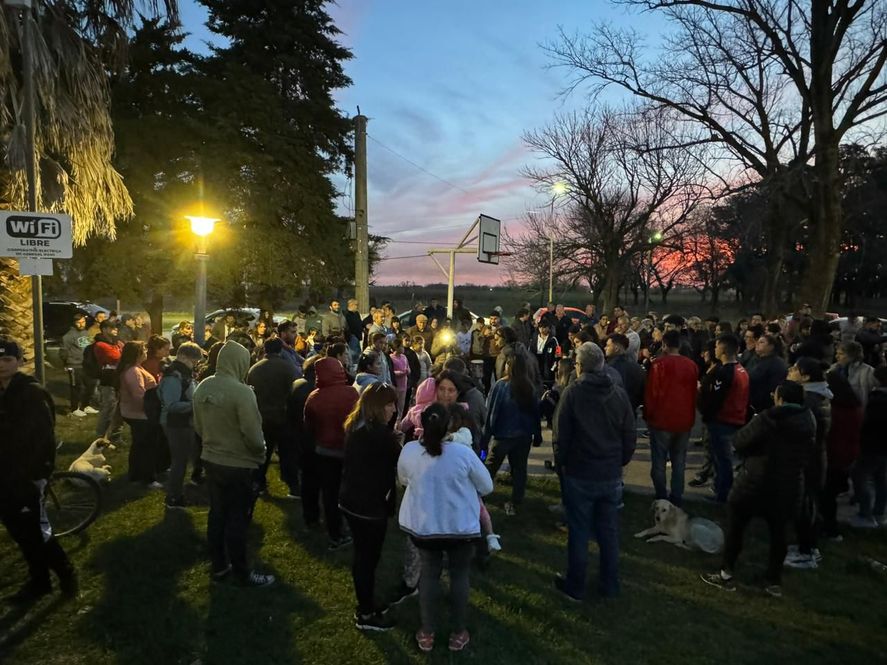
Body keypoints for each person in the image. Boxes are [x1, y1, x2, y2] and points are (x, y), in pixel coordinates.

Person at [701, 381, 815, 598]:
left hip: (755, 481)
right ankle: (773, 580)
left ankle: (726, 572)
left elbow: (740, 441)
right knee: (779, 533)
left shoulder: (768, 418)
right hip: (789, 484)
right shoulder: (808, 420)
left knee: (736, 527)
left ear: (780, 398)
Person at [398, 403, 493, 653]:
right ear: (450, 425)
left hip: (425, 529)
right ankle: (458, 632)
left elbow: (403, 479)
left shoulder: (409, 451)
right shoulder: (463, 453)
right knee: (459, 576)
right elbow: (487, 486)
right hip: (460, 530)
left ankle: (427, 632)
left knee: (429, 575)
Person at [554, 342, 636, 601]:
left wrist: (562, 466)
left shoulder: (573, 393)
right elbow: (629, 433)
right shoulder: (618, 393)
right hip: (609, 474)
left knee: (579, 532)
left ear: (579, 366)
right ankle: (609, 585)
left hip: (580, 473)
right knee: (608, 532)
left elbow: (560, 436)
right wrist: (620, 461)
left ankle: (576, 587)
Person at [0, 339, 77, 604]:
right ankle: (39, 580)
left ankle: (66, 575)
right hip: (4, 476)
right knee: (19, 531)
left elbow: (43, 438)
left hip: (26, 476)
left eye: (7, 360)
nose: (1, 366)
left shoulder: (31, 392)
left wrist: (38, 475)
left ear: (19, 361)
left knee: (36, 531)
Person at [193, 341, 273, 587]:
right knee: (238, 518)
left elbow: (197, 425)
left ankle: (218, 566)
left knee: (217, 515)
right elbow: (252, 434)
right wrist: (260, 451)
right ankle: (242, 571)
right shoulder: (242, 392)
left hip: (211, 459)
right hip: (238, 465)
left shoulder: (204, 386)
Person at [339, 383, 402, 631]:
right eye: (389, 404)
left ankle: (367, 602)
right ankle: (365, 614)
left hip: (351, 500)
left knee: (362, 556)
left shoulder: (357, 425)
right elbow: (402, 462)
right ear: (376, 407)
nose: (394, 409)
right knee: (367, 558)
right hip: (369, 507)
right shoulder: (380, 436)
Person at [305, 357, 359, 550]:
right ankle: (350, 527)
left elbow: (309, 426)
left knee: (329, 493)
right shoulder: (352, 394)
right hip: (348, 450)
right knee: (349, 490)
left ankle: (334, 533)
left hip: (324, 451)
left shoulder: (314, 397)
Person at [783, 357, 832, 569]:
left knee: (806, 506)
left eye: (795, 369)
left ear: (806, 376)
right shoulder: (816, 395)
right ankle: (807, 547)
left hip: (809, 460)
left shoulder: (810, 400)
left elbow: (803, 430)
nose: (790, 370)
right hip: (813, 457)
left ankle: (807, 552)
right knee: (806, 504)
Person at [482, 352, 542, 516]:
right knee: (519, 469)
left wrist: (486, 437)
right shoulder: (529, 387)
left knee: (490, 467)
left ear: (510, 367)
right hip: (523, 436)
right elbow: (536, 413)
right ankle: (517, 500)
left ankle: (480, 496)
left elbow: (492, 413)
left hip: (504, 436)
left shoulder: (501, 386)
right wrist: (537, 434)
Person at [643, 330, 699, 506]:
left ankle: (661, 495)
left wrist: (648, 414)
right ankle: (677, 496)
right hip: (684, 419)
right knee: (679, 461)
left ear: (664, 345)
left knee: (659, 460)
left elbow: (652, 393)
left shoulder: (659, 365)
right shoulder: (691, 365)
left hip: (661, 419)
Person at [698, 335, 750, 503]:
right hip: (734, 418)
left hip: (723, 420)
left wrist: (706, 413)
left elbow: (716, 398)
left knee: (722, 460)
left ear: (724, 349)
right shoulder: (741, 369)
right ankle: (721, 491)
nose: (715, 350)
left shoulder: (725, 372)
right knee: (723, 458)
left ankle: (723, 495)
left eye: (717, 347)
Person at [247, 338, 300, 499]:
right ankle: (293, 485)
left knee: (263, 453)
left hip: (262, 416)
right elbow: (294, 389)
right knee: (287, 453)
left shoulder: (255, 369)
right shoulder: (287, 367)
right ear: (280, 350)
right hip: (283, 416)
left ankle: (258, 483)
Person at [159, 342, 203, 509]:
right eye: (193, 361)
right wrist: (194, 405)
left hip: (184, 422)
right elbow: (171, 405)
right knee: (179, 461)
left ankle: (180, 490)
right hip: (176, 423)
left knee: (185, 458)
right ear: (182, 356)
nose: (195, 364)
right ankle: (174, 497)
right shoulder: (173, 376)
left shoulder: (183, 373)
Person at [116, 341, 161, 488]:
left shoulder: (135, 368)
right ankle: (148, 478)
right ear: (137, 354)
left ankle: (135, 475)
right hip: (140, 414)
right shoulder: (133, 372)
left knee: (138, 446)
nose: (147, 352)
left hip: (135, 413)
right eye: (144, 350)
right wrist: (150, 412)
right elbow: (139, 396)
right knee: (147, 447)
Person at [849, 365, 887, 528]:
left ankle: (866, 513)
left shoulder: (878, 400)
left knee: (859, 476)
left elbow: (870, 424)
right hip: (883, 445)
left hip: (873, 444)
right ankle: (879, 512)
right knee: (880, 478)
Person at [288, 355, 322, 528]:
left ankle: (309, 514)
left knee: (307, 478)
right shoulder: (313, 390)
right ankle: (313, 515)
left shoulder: (297, 384)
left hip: (298, 437)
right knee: (313, 480)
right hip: (311, 439)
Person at [60, 313, 97, 417]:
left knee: (90, 385)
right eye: (78, 322)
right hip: (74, 365)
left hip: (86, 365)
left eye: (83, 322)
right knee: (76, 387)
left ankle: (85, 405)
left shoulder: (86, 333)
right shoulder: (68, 336)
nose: (81, 324)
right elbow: (63, 352)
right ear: (74, 323)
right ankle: (74, 408)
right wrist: (66, 363)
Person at [93, 319, 124, 441]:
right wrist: (124, 353)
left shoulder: (116, 342)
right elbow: (116, 358)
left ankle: (116, 435)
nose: (116, 330)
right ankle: (101, 437)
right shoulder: (101, 345)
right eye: (112, 328)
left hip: (118, 378)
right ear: (104, 329)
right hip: (108, 379)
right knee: (109, 407)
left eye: (116, 327)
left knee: (119, 408)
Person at [748, 333, 788, 416]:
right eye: (758, 342)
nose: (757, 344)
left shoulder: (777, 363)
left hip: (764, 407)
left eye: (762, 342)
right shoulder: (757, 360)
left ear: (771, 346)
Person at [604, 333, 645, 410]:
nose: (605, 348)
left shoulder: (611, 368)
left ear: (616, 348)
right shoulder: (637, 367)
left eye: (608, 345)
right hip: (632, 411)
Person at [833, 341, 877, 408]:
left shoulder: (868, 371)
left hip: (859, 411)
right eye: (837, 353)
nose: (837, 356)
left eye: (841, 354)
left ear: (852, 355)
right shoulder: (833, 369)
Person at [532, 321, 559, 386]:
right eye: (540, 327)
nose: (542, 329)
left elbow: (558, 353)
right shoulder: (534, 339)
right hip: (536, 367)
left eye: (544, 327)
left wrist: (553, 368)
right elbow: (530, 352)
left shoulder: (553, 340)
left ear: (549, 329)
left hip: (548, 368)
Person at [390, 337, 411, 418]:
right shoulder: (391, 358)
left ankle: (399, 422)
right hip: (396, 385)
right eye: (401, 346)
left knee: (401, 405)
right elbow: (391, 371)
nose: (403, 348)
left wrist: (408, 371)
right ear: (396, 347)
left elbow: (408, 367)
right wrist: (401, 373)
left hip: (404, 384)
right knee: (394, 405)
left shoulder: (404, 357)